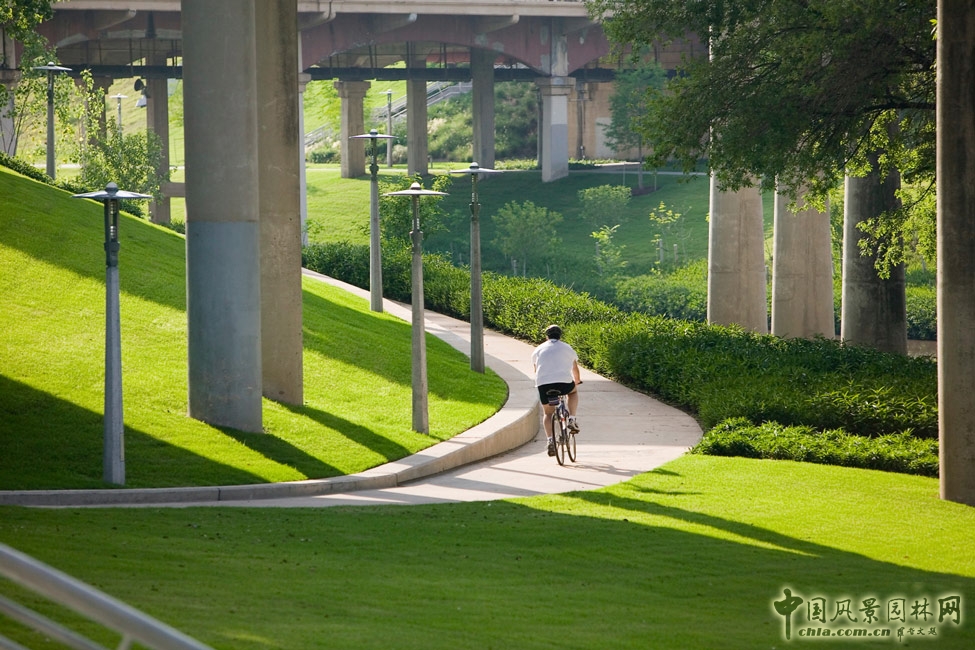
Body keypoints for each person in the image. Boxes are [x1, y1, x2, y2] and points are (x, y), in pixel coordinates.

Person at [531, 324, 582, 456]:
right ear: (560, 335)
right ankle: (571, 418)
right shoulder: (567, 348)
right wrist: (577, 380)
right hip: (563, 382)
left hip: (544, 384)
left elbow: (536, 370)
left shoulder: (538, 349)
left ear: (546, 336)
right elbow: (574, 368)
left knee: (548, 414)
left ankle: (550, 441)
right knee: (573, 392)